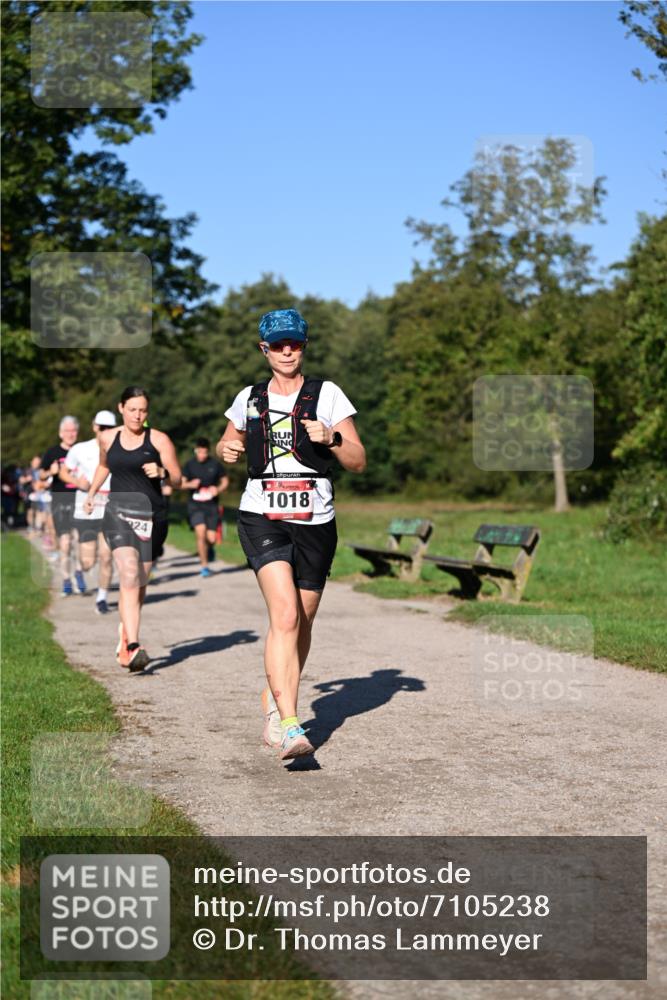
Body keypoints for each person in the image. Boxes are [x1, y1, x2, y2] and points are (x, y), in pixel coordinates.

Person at [217, 308, 366, 760]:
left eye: (294, 344)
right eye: (278, 344)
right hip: (261, 514)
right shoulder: (249, 397)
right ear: (264, 349)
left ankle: (274, 697)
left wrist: (332, 440)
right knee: (283, 616)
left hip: (316, 520)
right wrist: (227, 447)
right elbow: (229, 441)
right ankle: (287, 723)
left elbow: (358, 460)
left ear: (304, 346)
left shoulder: (328, 395)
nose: (286, 351)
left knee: (302, 619)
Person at [84, 387, 181, 671]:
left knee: (139, 581)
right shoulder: (107, 437)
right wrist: (91, 493)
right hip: (118, 513)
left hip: (153, 517)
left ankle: (126, 630)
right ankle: (134, 646)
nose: (138, 415)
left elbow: (177, 478)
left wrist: (163, 474)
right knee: (128, 573)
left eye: (143, 410)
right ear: (121, 408)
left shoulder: (159, 440)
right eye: (133, 409)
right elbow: (104, 466)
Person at [59, 410, 117, 614]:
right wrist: (77, 482)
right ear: (94, 427)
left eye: (109, 428)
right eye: (102, 427)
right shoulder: (79, 449)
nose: (105, 431)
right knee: (88, 560)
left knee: (106, 556)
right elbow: (63, 472)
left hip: (110, 508)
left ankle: (102, 598)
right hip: (86, 508)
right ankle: (78, 570)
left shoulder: (121, 448)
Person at [40, 416, 85, 596]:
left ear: (77, 432)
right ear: (60, 433)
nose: (70, 434)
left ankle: (79, 572)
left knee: (81, 541)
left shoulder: (82, 451)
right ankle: (66, 579)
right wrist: (49, 472)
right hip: (60, 499)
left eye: (73, 430)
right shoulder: (52, 452)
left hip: (81, 500)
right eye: (67, 431)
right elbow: (41, 475)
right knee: (65, 543)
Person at [180, 438, 228, 577]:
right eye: (199, 452)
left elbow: (225, 481)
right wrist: (190, 485)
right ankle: (204, 566)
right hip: (195, 505)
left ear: (208, 451)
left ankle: (209, 549)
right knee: (200, 534)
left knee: (211, 539)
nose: (202, 455)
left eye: (204, 452)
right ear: (195, 450)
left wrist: (217, 489)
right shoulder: (189, 465)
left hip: (211, 505)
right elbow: (181, 484)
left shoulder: (215, 464)